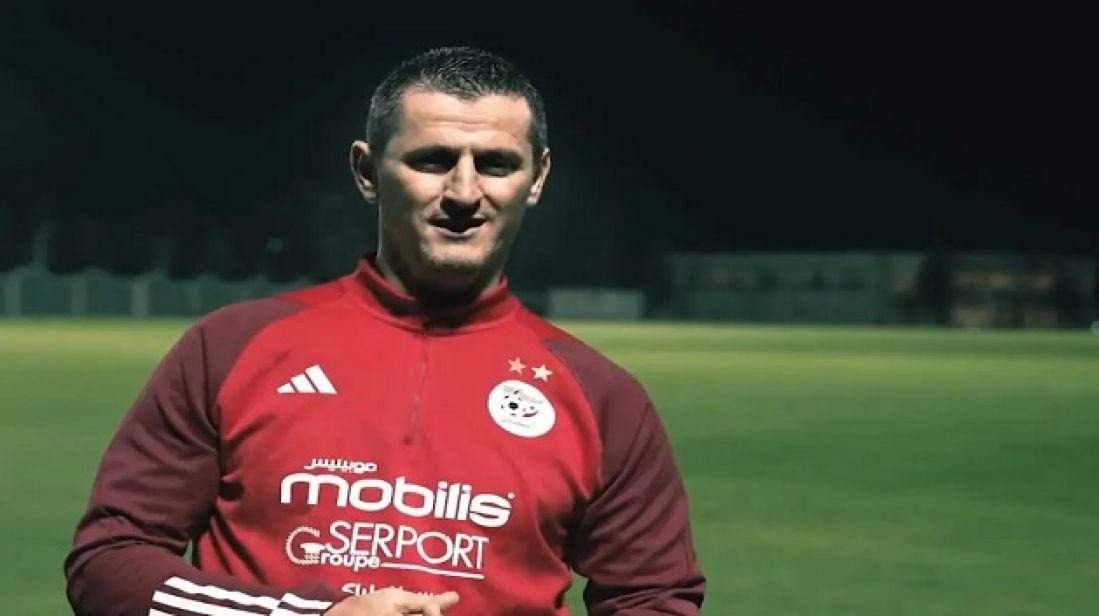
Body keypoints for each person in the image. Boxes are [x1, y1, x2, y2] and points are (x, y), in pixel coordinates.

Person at [64, 46, 706, 615]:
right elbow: (109, 562)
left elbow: (653, 597)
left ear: (536, 178)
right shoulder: (232, 347)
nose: (464, 192)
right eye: (432, 160)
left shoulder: (600, 396)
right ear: (368, 172)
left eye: (495, 164)